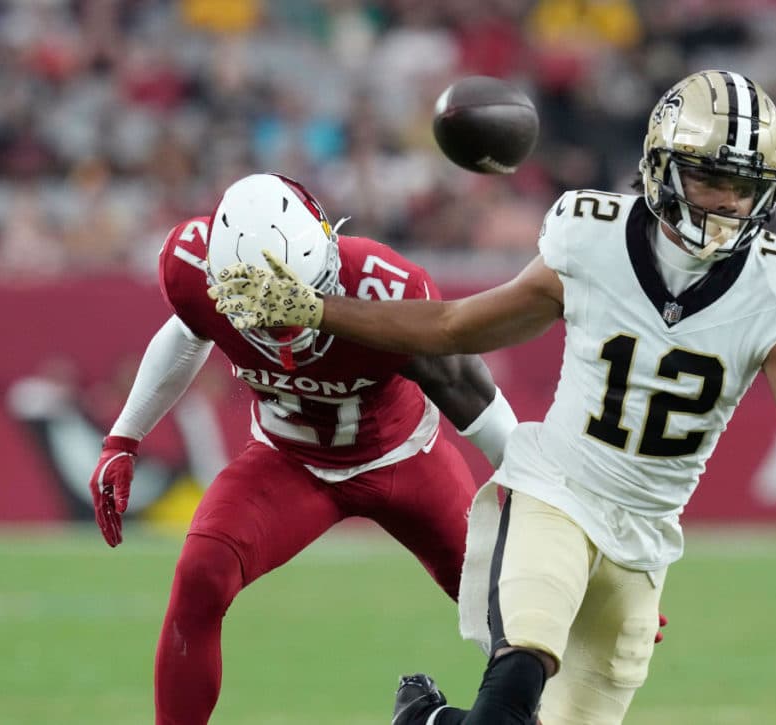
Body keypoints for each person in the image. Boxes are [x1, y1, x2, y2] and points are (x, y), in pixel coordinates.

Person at [209, 71, 776, 725]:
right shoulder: (592, 239)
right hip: (556, 493)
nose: (729, 202)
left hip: (647, 539)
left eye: (745, 186)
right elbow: (451, 327)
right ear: (661, 165)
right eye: (711, 177)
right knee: (516, 678)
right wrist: (318, 309)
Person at [87, 173, 519, 725]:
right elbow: (187, 329)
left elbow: (483, 410)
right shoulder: (194, 269)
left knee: (515, 615)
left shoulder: (384, 287)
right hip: (287, 461)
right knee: (200, 574)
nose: (280, 329)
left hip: (406, 459)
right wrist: (124, 437)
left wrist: (579, 532)